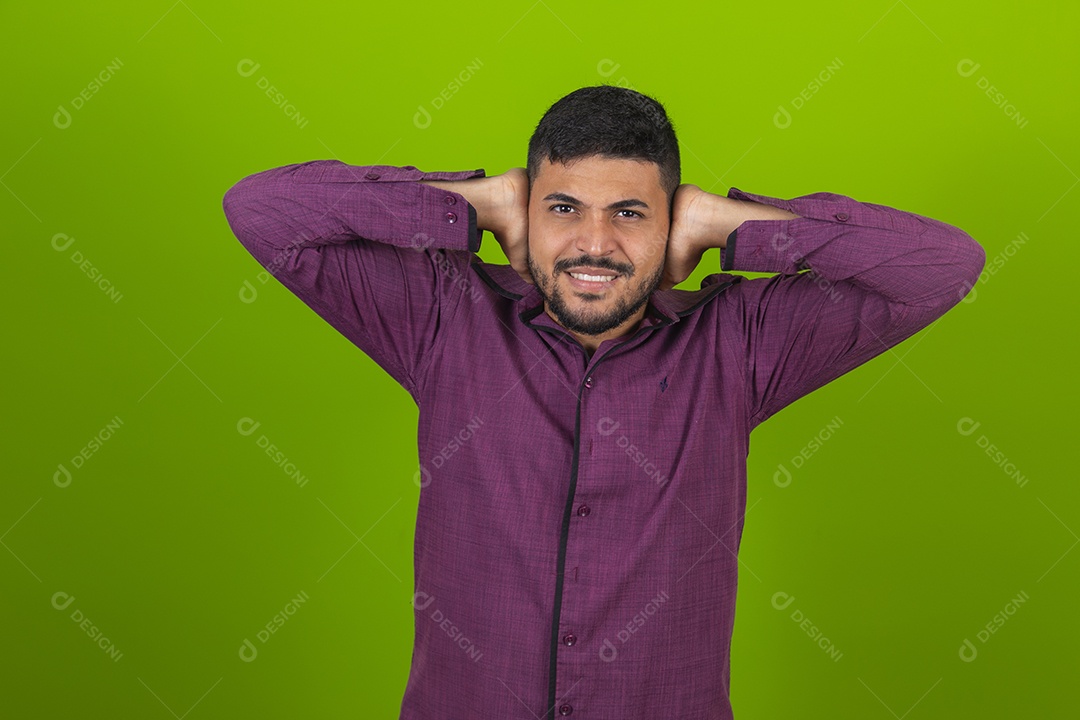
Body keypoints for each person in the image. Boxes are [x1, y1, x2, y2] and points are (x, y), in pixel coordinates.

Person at [222, 84, 985, 719]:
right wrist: (473, 203)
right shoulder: (445, 316)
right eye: (562, 208)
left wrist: (734, 225)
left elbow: (941, 266)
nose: (594, 243)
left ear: (670, 221)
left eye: (628, 212)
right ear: (527, 212)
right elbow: (262, 209)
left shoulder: (739, 341)